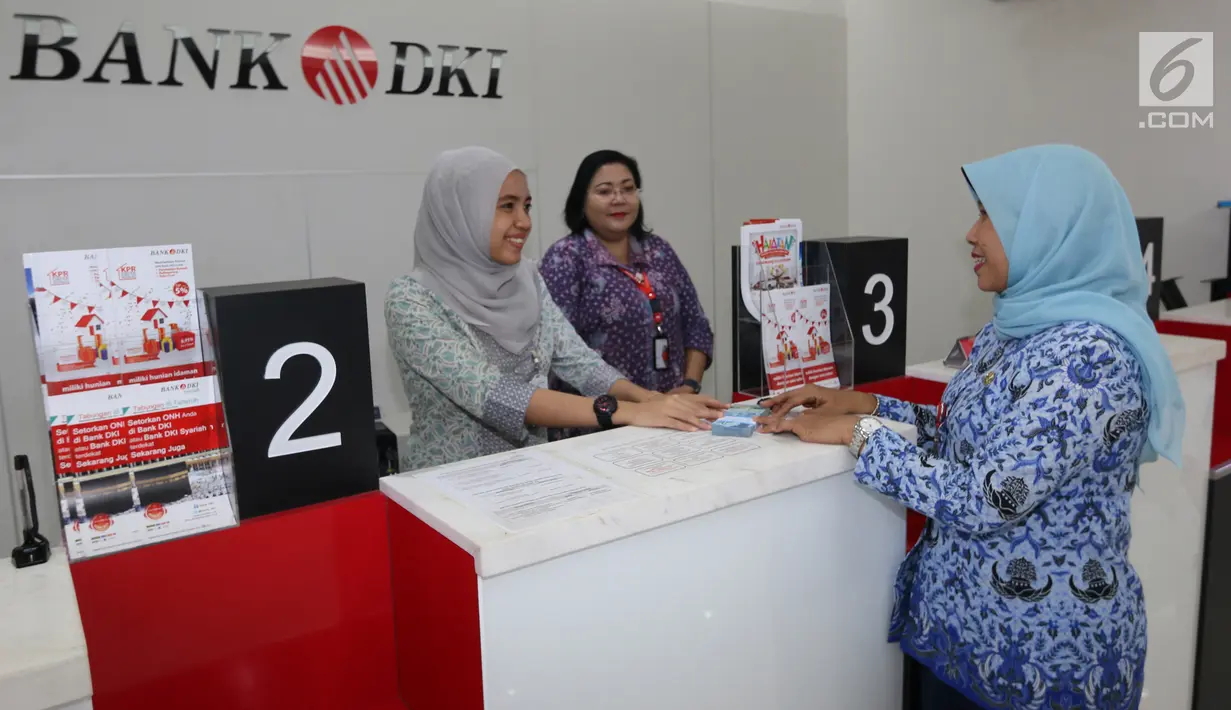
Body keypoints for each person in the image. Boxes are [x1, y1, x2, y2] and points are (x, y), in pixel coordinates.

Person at [758, 144, 1183, 710]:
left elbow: (988, 495)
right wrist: (863, 405)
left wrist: (858, 437)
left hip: (1037, 665)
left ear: (1048, 229)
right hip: (960, 642)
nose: (970, 233)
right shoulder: (1016, 327)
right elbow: (969, 440)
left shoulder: (1090, 357)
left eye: (989, 215)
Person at [385, 146, 727, 472]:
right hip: (449, 493)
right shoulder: (412, 298)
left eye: (527, 206)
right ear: (460, 211)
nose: (524, 221)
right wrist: (626, 412)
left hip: (537, 475)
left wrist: (650, 399)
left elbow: (580, 362)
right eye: (506, 206)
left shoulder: (528, 279)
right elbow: (495, 396)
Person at [539, 150, 714, 403]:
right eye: (604, 191)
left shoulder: (658, 250)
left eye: (628, 189)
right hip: (598, 421)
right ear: (582, 200)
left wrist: (689, 385)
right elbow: (559, 350)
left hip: (671, 411)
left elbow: (697, 325)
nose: (618, 199)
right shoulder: (565, 258)